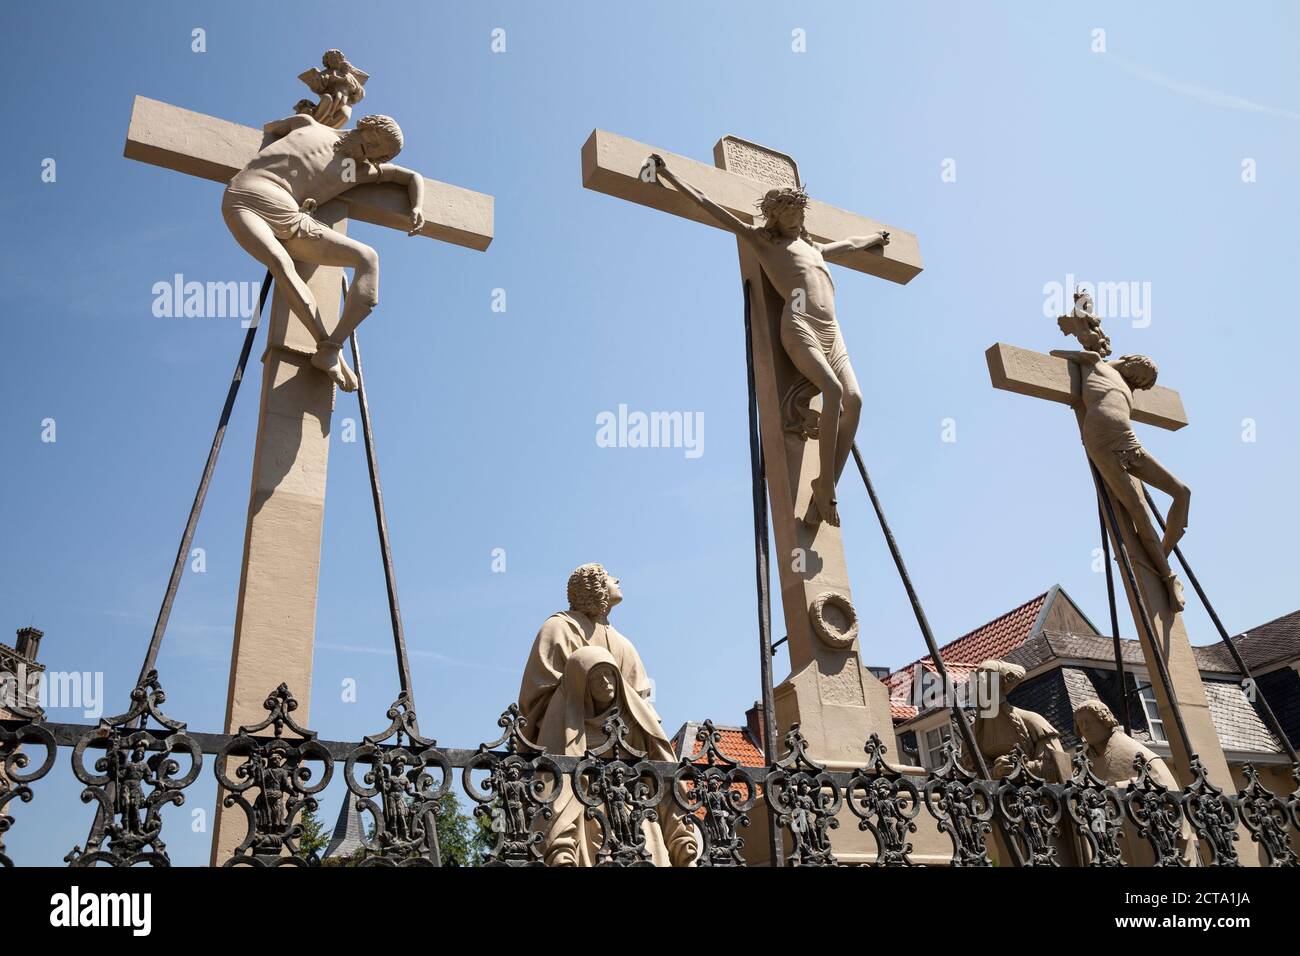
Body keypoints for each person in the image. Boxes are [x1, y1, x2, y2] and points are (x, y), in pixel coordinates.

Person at [646, 154, 889, 526]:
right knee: (833, 391)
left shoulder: (815, 249)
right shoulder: (765, 243)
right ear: (775, 215)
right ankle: (827, 490)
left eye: (798, 209)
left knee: (855, 399)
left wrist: (877, 237)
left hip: (832, 330)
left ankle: (824, 484)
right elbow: (710, 206)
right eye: (787, 210)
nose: (795, 215)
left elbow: (853, 244)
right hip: (800, 324)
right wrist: (669, 175)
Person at [221, 111, 424, 392]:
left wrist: (416, 206)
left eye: (381, 156)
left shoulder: (359, 171)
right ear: (367, 125)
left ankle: (331, 347)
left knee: (368, 258)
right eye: (376, 144)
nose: (374, 155)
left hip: (291, 215)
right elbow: (269, 130)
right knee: (280, 262)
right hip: (246, 196)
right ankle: (326, 345)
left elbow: (411, 177)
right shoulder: (306, 123)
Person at [1050, 347, 1190, 609]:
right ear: (1130, 360)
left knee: (1182, 492)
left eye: (1143, 381)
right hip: (1101, 442)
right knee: (1140, 512)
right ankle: (1168, 576)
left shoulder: (1128, 388)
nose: (1139, 381)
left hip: (1129, 441)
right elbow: (1055, 355)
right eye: (1140, 373)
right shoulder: (1094, 362)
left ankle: (1161, 554)